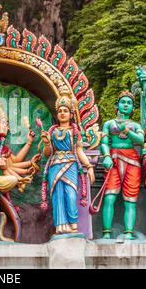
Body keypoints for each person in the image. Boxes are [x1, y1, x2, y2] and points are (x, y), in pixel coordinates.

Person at [40, 95, 95, 234]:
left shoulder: (74, 132)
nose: (62, 113)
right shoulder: (52, 131)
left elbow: (79, 150)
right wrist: (47, 142)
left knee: (70, 195)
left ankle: (73, 225)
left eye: (65, 111)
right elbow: (47, 153)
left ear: (71, 114)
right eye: (60, 111)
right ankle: (61, 226)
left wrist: (89, 167)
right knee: (57, 196)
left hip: (71, 164)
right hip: (55, 165)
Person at [100, 90, 144, 240]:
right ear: (117, 105)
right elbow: (104, 142)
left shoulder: (135, 125)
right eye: (123, 102)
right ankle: (106, 232)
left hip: (132, 161)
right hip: (113, 160)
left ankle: (129, 232)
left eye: (129, 103)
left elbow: (140, 140)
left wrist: (126, 130)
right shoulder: (109, 124)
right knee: (109, 197)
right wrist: (105, 156)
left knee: (130, 199)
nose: (126, 105)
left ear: (133, 109)